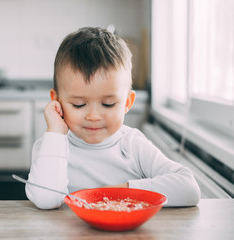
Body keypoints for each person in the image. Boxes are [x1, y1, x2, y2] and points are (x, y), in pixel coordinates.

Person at [26, 27, 201, 209]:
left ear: (127, 102)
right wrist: (55, 132)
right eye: (78, 104)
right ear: (57, 101)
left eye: (108, 104)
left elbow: (189, 189)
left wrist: (117, 193)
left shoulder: (132, 145)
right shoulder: (51, 145)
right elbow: (45, 200)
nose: (93, 116)